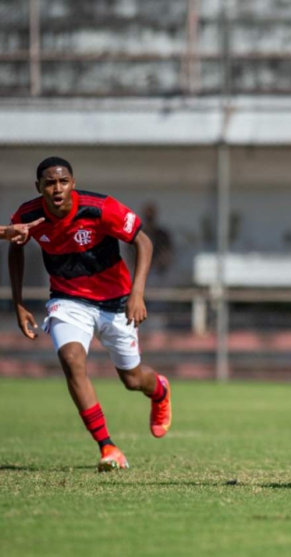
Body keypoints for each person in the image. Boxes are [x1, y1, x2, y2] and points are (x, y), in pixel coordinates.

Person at [8, 157, 172, 472]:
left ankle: (161, 390)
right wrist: (18, 302)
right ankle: (108, 447)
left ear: (73, 181)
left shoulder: (100, 208)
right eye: (49, 183)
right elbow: (15, 248)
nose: (57, 189)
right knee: (72, 362)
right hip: (68, 300)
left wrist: (137, 293)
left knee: (133, 379)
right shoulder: (27, 216)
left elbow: (144, 241)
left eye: (63, 181)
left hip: (116, 301)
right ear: (38, 187)